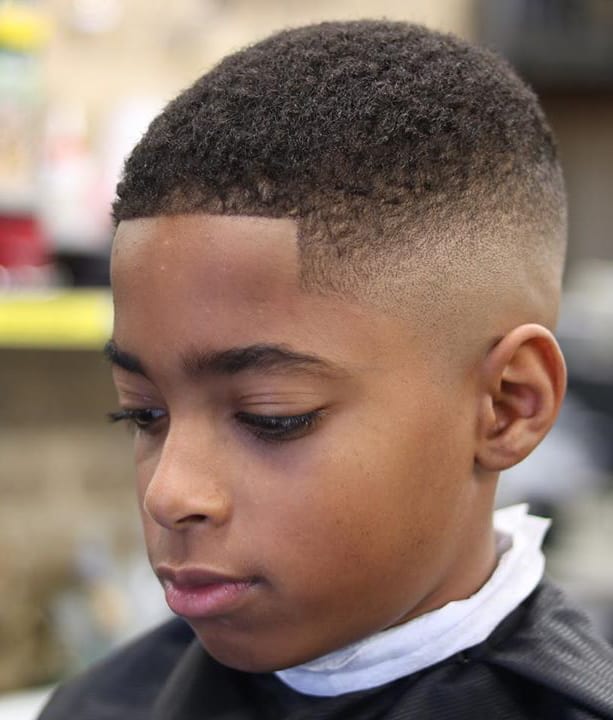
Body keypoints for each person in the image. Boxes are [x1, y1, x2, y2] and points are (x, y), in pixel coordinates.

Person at [38, 20, 613, 720]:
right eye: (143, 413)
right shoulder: (100, 706)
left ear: (507, 405)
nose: (168, 494)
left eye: (272, 418)